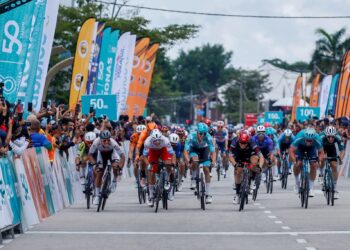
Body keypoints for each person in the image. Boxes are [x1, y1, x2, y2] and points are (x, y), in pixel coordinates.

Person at [88, 130, 125, 205]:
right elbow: (90, 155)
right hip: (101, 155)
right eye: (104, 141)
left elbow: (122, 156)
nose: (106, 142)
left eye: (108, 140)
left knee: (115, 167)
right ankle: (97, 196)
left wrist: (120, 167)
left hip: (112, 153)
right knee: (99, 173)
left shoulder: (113, 143)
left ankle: (114, 181)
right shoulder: (96, 142)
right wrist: (95, 164)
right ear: (100, 139)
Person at [184, 123, 216, 204]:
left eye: (204, 133)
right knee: (195, 160)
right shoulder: (191, 136)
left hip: (204, 150)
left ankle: (208, 195)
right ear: (197, 132)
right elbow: (185, 151)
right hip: (194, 150)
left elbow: (213, 151)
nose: (202, 135)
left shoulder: (208, 137)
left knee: (206, 169)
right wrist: (188, 161)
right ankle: (194, 179)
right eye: (201, 133)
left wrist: (213, 161)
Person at [229, 131, 264, 204]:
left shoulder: (252, 142)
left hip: (250, 154)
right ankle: (238, 194)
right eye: (241, 143)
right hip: (239, 155)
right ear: (239, 140)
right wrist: (235, 164)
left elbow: (261, 156)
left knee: (254, 162)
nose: (243, 145)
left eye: (245, 143)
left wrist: (260, 166)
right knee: (238, 171)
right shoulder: (235, 141)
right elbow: (230, 156)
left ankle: (252, 181)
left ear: (248, 141)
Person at [289, 128, 324, 197]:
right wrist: (294, 160)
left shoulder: (318, 139)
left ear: (313, 139)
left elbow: (321, 152)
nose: (308, 142)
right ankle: (297, 183)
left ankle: (311, 188)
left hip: (312, 148)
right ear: (304, 138)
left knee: (313, 165)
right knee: (298, 163)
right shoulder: (299, 136)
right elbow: (291, 150)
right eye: (307, 140)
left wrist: (319, 161)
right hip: (300, 147)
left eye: (310, 141)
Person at [143, 129, 174, 206]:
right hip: (152, 152)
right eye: (155, 141)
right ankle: (150, 196)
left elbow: (172, 154)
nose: (157, 143)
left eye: (158, 141)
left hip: (163, 150)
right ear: (151, 139)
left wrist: (172, 163)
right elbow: (144, 156)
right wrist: (148, 165)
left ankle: (167, 179)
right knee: (152, 171)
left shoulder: (165, 140)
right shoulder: (147, 142)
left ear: (161, 138)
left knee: (168, 163)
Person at [320, 126, 345, 199]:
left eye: (332, 137)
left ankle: (335, 188)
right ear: (326, 135)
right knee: (322, 160)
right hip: (322, 147)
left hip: (331, 148)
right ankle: (321, 175)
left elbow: (342, 150)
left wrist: (340, 158)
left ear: (335, 135)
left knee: (334, 165)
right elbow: (317, 149)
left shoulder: (338, 137)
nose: (331, 138)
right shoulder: (321, 137)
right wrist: (322, 156)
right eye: (329, 137)